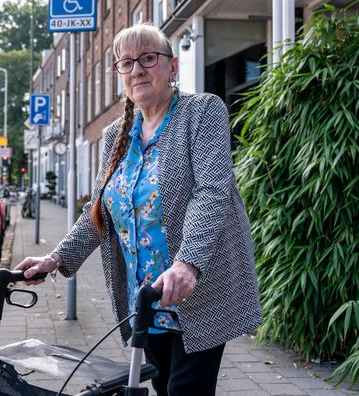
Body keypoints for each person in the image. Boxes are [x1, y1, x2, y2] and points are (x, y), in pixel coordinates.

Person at [15, 23, 262, 396]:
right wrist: (55, 259)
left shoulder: (202, 112)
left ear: (172, 68)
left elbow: (212, 193)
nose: (137, 70)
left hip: (196, 290)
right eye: (126, 63)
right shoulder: (116, 135)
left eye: (148, 58)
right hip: (143, 300)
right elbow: (100, 214)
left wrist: (188, 263)